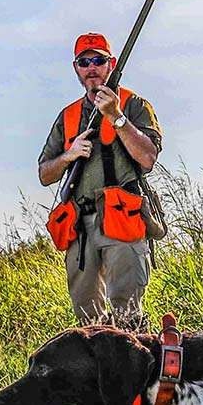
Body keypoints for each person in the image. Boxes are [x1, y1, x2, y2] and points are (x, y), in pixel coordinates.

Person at [37, 31, 164, 325]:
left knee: (127, 314)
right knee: (88, 320)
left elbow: (148, 158)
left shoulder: (133, 104)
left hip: (122, 217)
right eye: (84, 62)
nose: (91, 67)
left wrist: (116, 117)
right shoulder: (68, 116)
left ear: (112, 64)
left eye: (98, 60)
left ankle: (133, 354)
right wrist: (68, 156)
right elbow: (44, 174)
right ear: (76, 68)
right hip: (80, 227)